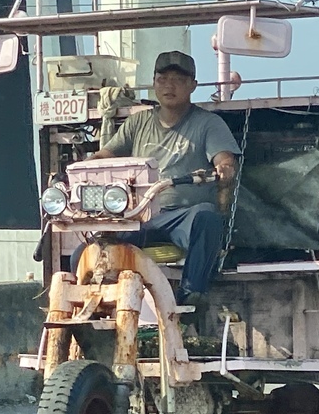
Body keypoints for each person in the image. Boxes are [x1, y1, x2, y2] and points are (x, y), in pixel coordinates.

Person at [72, 50, 240, 306]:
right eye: (163, 79)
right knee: (82, 252)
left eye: (179, 80)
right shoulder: (137, 123)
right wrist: (82, 167)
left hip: (181, 216)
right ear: (154, 83)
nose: (169, 86)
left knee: (207, 217)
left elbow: (224, 159)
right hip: (137, 215)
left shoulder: (208, 123)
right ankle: (86, 303)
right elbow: (106, 155)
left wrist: (225, 167)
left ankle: (190, 295)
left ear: (193, 86)